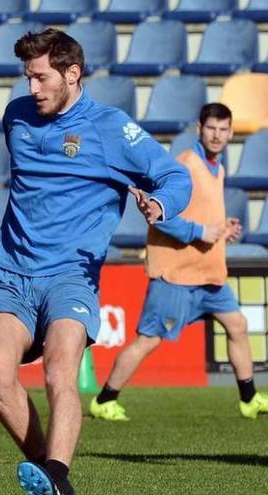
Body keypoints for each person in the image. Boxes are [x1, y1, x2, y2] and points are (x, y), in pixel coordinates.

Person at [0, 29, 192, 495]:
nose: (31, 89)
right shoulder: (16, 115)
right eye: (27, 78)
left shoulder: (111, 128)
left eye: (40, 78)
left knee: (60, 371)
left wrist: (160, 205)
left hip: (71, 278)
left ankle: (54, 474)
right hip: (13, 274)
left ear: (72, 74)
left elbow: (174, 175)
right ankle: (52, 476)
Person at [91, 103, 268, 422]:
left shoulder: (218, 168)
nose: (217, 135)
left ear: (230, 134)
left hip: (209, 275)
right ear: (198, 130)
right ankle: (104, 399)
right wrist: (202, 231)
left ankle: (249, 398)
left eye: (223, 129)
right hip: (177, 275)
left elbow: (199, 213)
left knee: (237, 325)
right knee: (148, 341)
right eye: (211, 128)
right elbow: (159, 216)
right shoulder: (185, 165)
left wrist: (220, 227)